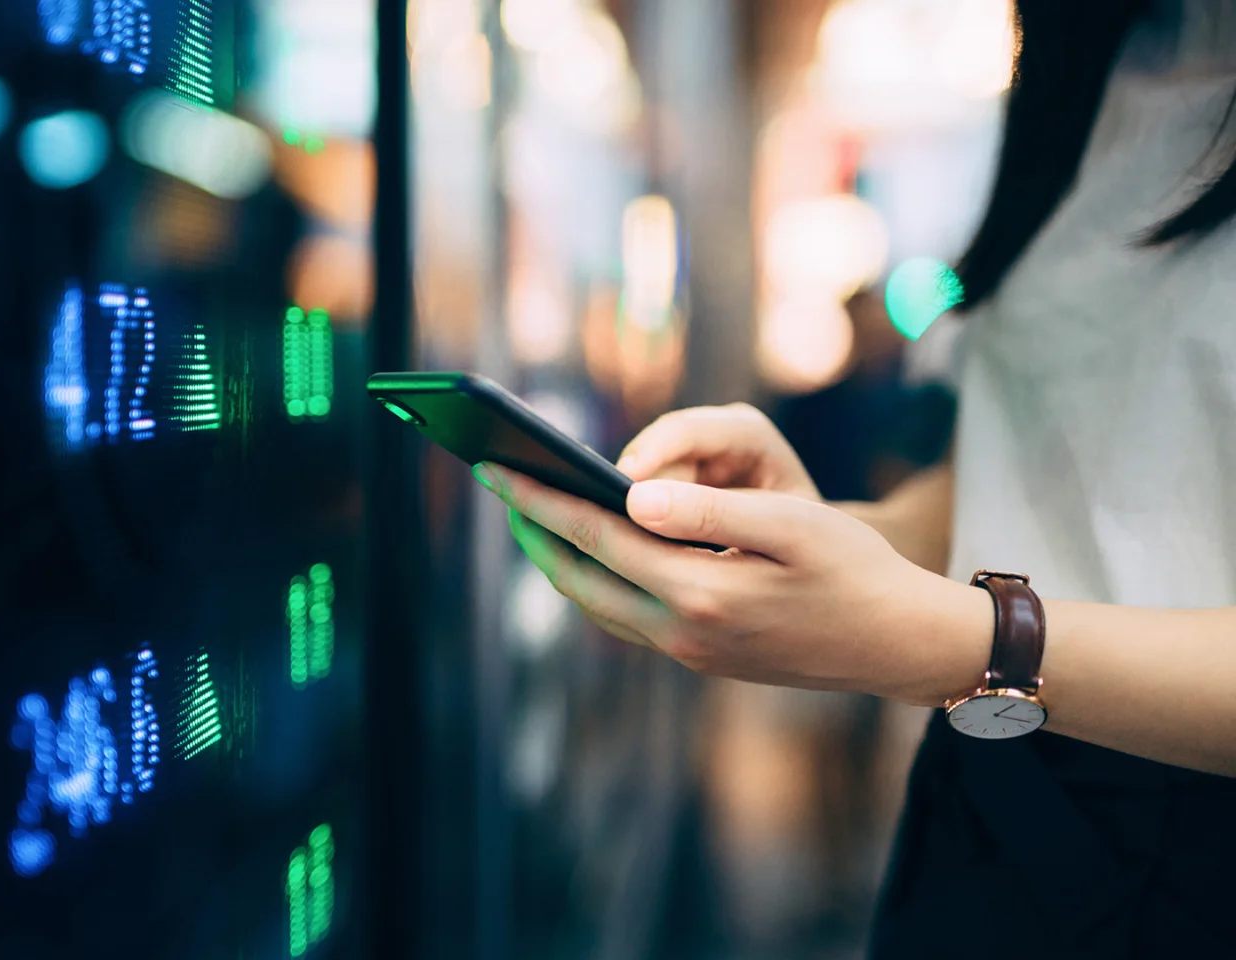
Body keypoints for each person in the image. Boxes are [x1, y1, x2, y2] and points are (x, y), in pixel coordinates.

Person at [471, 0, 1236, 954]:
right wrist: (822, 528)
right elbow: (1010, 488)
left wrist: (949, 642)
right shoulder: (1090, 71)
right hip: (991, 815)